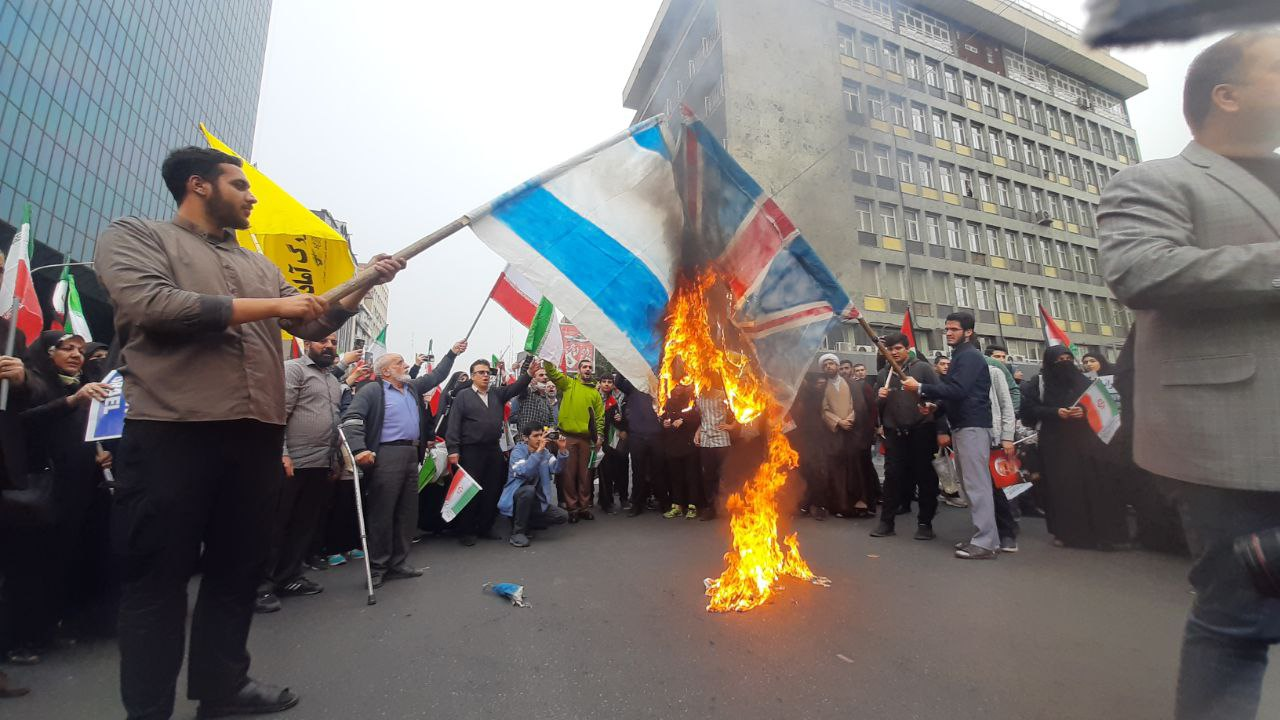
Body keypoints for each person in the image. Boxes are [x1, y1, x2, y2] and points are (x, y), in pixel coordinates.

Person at [94, 146, 404, 719]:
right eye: (241, 185)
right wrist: (270, 304)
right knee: (156, 581)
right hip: (171, 432)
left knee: (237, 571)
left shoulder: (259, 264)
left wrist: (362, 283)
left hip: (255, 437)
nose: (252, 195)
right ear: (199, 185)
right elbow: (153, 305)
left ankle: (224, 686)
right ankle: (148, 709)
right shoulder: (137, 236)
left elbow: (312, 320)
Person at [1098, 31, 1280, 720]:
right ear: (1226, 95)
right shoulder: (1157, 180)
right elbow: (1140, 270)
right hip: (1232, 443)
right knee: (1238, 625)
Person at [10, 332, 114, 663]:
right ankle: (19, 640)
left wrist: (99, 454)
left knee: (63, 561)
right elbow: (24, 422)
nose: (76, 355)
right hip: (39, 489)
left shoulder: (80, 384)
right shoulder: (31, 383)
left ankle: (48, 629)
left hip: (75, 488)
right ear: (47, 352)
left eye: (80, 350)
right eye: (67, 348)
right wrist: (72, 400)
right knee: (32, 568)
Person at [342, 345, 462, 578]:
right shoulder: (372, 391)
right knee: (383, 512)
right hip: (386, 455)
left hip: (411, 455)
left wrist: (452, 354)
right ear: (386, 371)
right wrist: (359, 449)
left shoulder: (412, 388)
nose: (406, 365)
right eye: (399, 362)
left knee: (407, 512)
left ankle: (398, 562)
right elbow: (352, 418)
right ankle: (378, 566)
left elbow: (437, 375)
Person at [255, 333, 345, 613]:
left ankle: (289, 577)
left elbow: (333, 421)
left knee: (303, 525)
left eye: (332, 342)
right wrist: (281, 452)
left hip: (320, 464)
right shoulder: (293, 369)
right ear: (308, 344)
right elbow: (277, 412)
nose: (328, 346)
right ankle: (260, 586)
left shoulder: (331, 379)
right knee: (275, 526)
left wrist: (335, 458)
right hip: (291, 463)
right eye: (322, 341)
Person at [902, 313, 996, 560]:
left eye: (954, 329)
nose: (949, 333)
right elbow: (956, 395)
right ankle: (981, 538)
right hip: (964, 426)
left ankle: (986, 543)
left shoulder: (970, 356)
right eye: (947, 329)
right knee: (969, 485)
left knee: (977, 486)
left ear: (968, 332)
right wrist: (935, 407)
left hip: (973, 426)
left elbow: (958, 390)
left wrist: (921, 387)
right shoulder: (961, 356)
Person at [1018, 346, 1127, 551]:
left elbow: (1101, 405)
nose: (1065, 363)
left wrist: (1083, 411)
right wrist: (1056, 412)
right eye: (1059, 359)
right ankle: (1068, 533)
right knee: (1062, 489)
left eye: (1068, 358)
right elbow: (1029, 410)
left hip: (1086, 443)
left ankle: (1101, 534)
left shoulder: (1085, 381)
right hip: (1055, 445)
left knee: (1093, 487)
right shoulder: (1039, 383)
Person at [446, 357, 533, 544]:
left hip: (493, 449)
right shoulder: (463, 396)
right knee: (470, 491)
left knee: (492, 490)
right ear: (472, 376)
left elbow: (515, 388)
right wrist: (453, 449)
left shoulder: (496, 393)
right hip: (470, 450)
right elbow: (453, 423)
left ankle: (485, 526)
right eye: (481, 372)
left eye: (488, 372)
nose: (486, 376)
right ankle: (467, 531)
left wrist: (529, 374)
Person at [871, 334, 944, 540]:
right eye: (890, 349)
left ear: (907, 348)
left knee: (925, 477)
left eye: (897, 348)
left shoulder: (922, 369)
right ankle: (887, 522)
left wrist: (941, 430)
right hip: (895, 432)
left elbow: (939, 396)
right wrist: (880, 398)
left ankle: (925, 523)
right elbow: (876, 407)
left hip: (922, 430)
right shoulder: (883, 374)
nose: (894, 353)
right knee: (892, 477)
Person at [542, 359, 604, 522]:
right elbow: (553, 373)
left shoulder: (595, 393)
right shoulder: (569, 383)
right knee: (569, 475)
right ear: (579, 370)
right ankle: (572, 509)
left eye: (590, 367)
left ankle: (584, 507)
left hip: (586, 440)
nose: (588, 369)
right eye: (585, 367)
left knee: (585, 475)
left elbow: (599, 418)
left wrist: (600, 437)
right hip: (567, 437)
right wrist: (548, 360)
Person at [499, 424, 570, 547]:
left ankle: (528, 522)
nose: (539, 439)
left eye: (540, 435)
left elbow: (556, 469)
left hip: (537, 501)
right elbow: (525, 471)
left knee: (562, 516)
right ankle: (517, 533)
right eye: (535, 436)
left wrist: (562, 450)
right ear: (525, 438)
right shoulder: (517, 452)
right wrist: (538, 452)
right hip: (517, 499)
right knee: (528, 490)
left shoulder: (545, 452)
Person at [615, 373, 661, 516]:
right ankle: (637, 504)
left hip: (656, 436)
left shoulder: (658, 387)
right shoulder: (632, 387)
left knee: (658, 471)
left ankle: (662, 501)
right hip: (637, 436)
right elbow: (618, 382)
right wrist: (627, 364)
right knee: (638, 472)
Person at [658, 383, 702, 518]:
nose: (678, 387)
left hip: (689, 444)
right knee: (675, 477)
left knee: (691, 476)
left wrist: (683, 419)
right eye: (676, 385)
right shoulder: (666, 400)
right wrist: (664, 423)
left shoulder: (692, 399)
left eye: (681, 385)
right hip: (672, 445)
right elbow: (662, 416)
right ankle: (677, 506)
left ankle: (692, 506)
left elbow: (698, 418)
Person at [694, 383, 734, 521]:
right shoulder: (699, 397)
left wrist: (732, 426)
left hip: (722, 440)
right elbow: (702, 418)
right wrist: (698, 432)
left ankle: (729, 506)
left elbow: (741, 412)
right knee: (708, 476)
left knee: (725, 475)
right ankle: (711, 508)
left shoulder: (724, 395)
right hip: (706, 441)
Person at [595, 375, 628, 513]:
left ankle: (623, 498)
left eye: (610, 382)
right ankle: (606, 502)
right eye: (604, 382)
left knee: (621, 469)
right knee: (604, 473)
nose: (607, 384)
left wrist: (621, 420)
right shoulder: (594, 397)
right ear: (600, 383)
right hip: (599, 439)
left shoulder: (616, 399)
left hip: (615, 439)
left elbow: (621, 418)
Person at [984, 344, 1021, 410]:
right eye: (997, 356)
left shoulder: (1007, 373)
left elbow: (1014, 391)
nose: (1002, 360)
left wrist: (1012, 412)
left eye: (1004, 357)